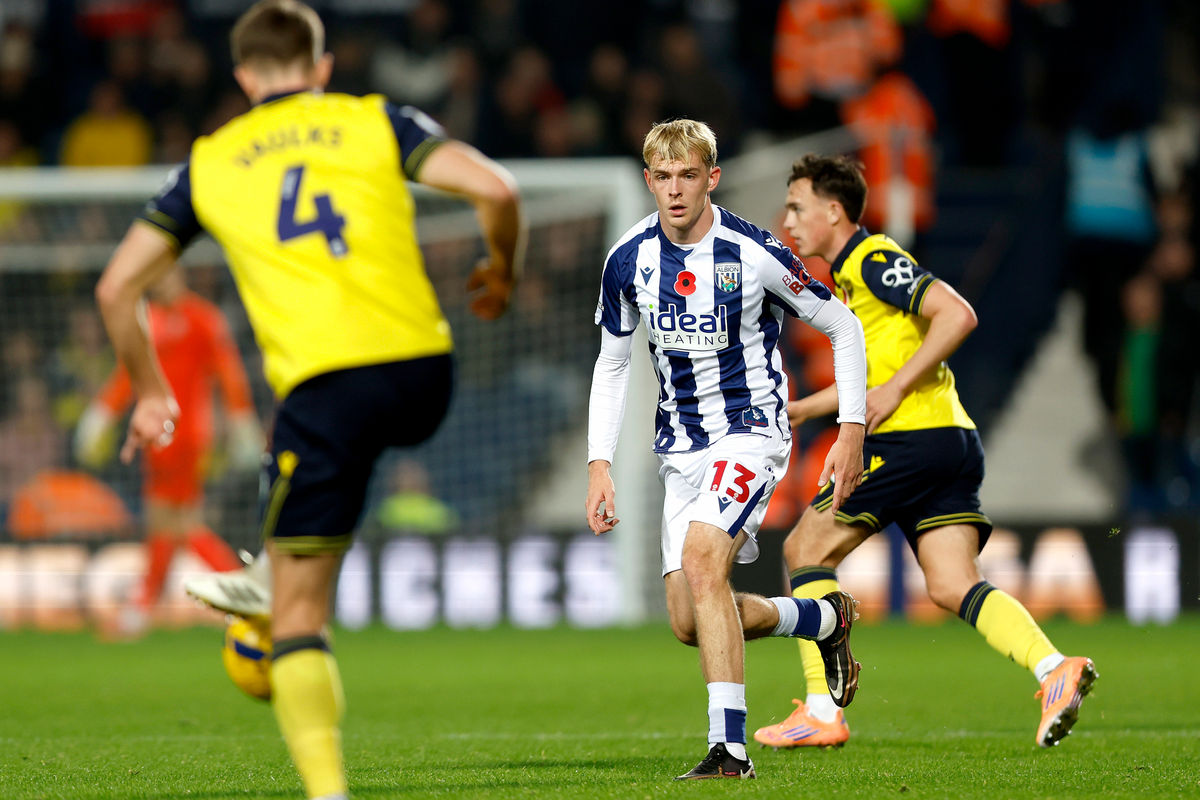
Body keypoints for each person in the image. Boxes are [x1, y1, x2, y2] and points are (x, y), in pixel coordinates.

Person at [94, 2, 522, 799]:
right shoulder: (374, 120)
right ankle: (274, 567)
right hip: (426, 370)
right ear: (321, 68)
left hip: (328, 384)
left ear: (243, 77)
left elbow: (117, 287)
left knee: (297, 617)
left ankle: (323, 777)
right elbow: (497, 190)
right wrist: (500, 273)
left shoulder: (212, 161)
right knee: (316, 491)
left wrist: (151, 392)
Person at [752, 154, 1097, 752]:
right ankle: (1054, 670)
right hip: (950, 441)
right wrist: (801, 410)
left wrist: (894, 389)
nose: (787, 221)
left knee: (805, 548)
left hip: (909, 441)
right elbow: (876, 373)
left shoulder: (871, 259)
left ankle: (820, 710)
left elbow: (956, 314)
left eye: (797, 207)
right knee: (952, 583)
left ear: (834, 212)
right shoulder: (849, 282)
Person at [585, 119, 868, 780]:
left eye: (690, 175)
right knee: (690, 620)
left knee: (703, 560)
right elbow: (613, 364)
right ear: (648, 180)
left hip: (750, 431)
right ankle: (822, 619)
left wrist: (850, 430)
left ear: (712, 178)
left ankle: (729, 750)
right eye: (664, 176)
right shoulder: (628, 259)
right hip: (678, 450)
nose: (676, 190)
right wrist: (600, 464)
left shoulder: (753, 252)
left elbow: (842, 324)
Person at [75, 266, 264, 636]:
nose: (160, 281)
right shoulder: (149, 319)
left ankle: (149, 607)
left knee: (175, 522)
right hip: (155, 434)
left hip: (189, 436)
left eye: (166, 274)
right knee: (169, 523)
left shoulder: (203, 318)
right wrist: (103, 413)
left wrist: (241, 421)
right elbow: (129, 374)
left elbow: (228, 372)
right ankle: (236, 593)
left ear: (180, 275)